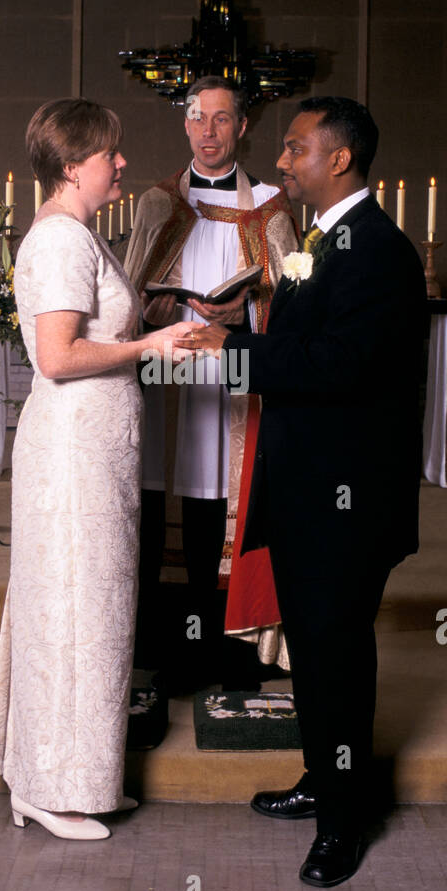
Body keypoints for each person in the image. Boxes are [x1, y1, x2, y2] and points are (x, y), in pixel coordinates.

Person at [176, 97, 428, 886]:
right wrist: (241, 318)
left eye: (294, 149)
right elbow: (303, 338)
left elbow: (340, 366)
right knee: (315, 658)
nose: (281, 163)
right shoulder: (323, 239)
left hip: (346, 501)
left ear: (340, 159)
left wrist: (234, 349)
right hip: (309, 492)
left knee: (338, 657)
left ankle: (345, 824)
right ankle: (324, 781)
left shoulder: (378, 250)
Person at [0, 98, 191, 841]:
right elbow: (58, 357)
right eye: (111, 153)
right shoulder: (63, 241)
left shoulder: (79, 235)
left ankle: (74, 777)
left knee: (92, 612)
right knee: (73, 612)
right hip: (73, 454)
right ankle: (48, 787)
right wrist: (149, 347)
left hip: (94, 451)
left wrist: (156, 323)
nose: (123, 163)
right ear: (74, 167)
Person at [124, 76, 298, 692]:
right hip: (160, 375)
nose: (208, 132)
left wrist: (247, 312)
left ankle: (219, 645)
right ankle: (146, 644)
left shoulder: (272, 207)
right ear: (185, 124)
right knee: (148, 499)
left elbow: (295, 306)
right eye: (198, 119)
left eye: (221, 120)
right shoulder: (156, 204)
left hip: (234, 376)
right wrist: (153, 312)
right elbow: (127, 296)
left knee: (213, 504)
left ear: (242, 127)